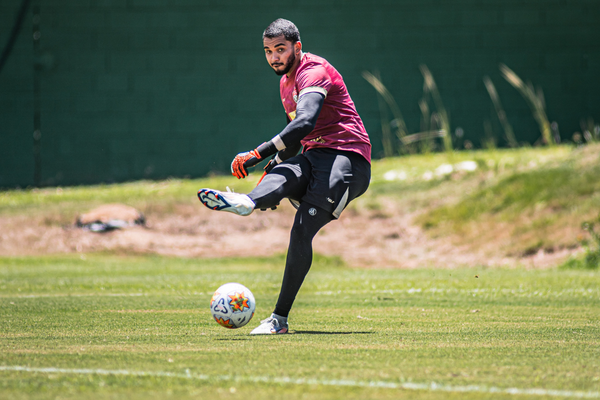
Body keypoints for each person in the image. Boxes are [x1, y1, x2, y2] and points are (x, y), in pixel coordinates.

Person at [198, 18, 371, 335]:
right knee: (285, 169)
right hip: (315, 156)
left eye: (280, 49)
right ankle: (247, 201)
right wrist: (274, 161)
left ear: (297, 47)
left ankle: (278, 319)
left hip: (348, 161)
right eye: (268, 51)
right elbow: (295, 141)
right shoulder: (285, 84)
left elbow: (305, 122)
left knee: (301, 230)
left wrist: (258, 152)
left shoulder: (313, 72)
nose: (274, 57)